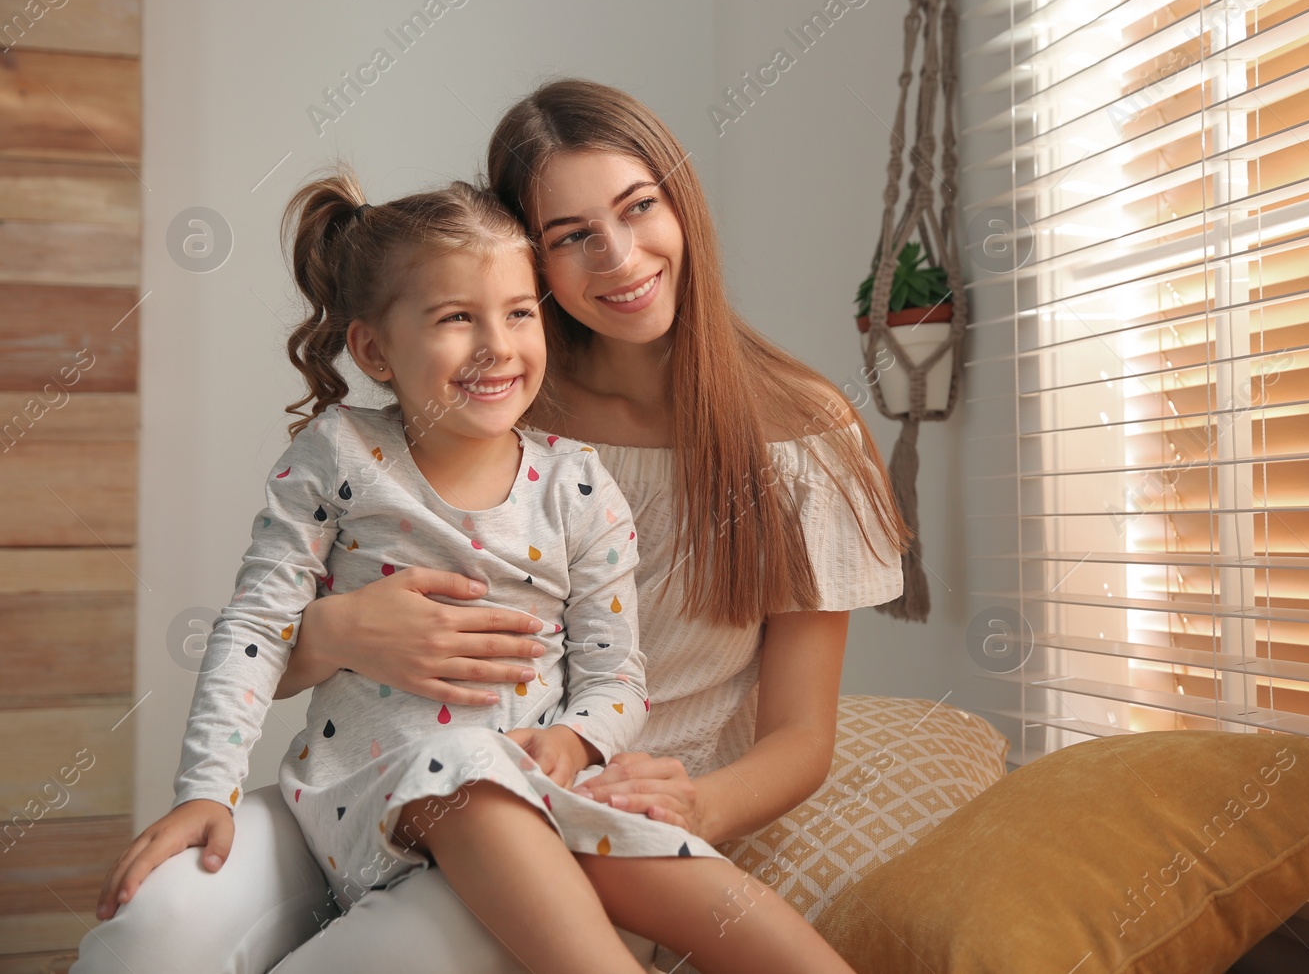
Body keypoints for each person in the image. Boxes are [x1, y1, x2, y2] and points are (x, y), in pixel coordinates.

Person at [72, 79, 907, 973]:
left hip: (582, 813)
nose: (620, 257)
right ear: (524, 258)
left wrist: (689, 804)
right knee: (148, 934)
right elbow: (263, 632)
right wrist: (337, 632)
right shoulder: (484, 401)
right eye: (571, 237)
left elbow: (799, 736)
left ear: (682, 202)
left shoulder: (792, 435)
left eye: (639, 207)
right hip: (376, 778)